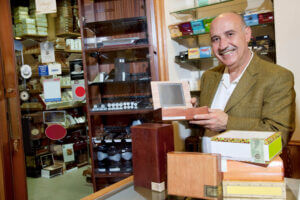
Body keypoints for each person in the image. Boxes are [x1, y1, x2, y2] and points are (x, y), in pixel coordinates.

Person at [189, 12, 295, 152]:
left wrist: (228, 123)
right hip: (207, 167)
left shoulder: (277, 77)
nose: (222, 45)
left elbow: (279, 135)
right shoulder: (209, 76)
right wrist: (191, 113)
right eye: (216, 39)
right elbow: (205, 127)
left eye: (230, 34)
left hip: (247, 171)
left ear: (247, 34)